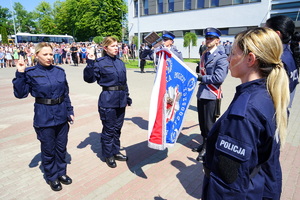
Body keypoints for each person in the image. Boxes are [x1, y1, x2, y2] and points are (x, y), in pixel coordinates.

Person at [201, 27, 290, 200]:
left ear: (250, 59)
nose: (228, 58)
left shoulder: (244, 113)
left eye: (233, 53)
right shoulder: (268, 93)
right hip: (259, 187)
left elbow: (227, 185)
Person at [12, 42, 74, 192]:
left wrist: (69, 110)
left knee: (61, 147)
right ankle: (52, 176)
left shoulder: (59, 71)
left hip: (61, 114)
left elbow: (65, 93)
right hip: (44, 115)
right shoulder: (30, 72)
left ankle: (61, 172)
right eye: (45, 54)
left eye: (51, 54)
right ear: (37, 55)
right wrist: (20, 73)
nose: (49, 57)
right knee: (48, 149)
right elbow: (20, 94)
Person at [83, 36, 132, 168]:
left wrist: (127, 96)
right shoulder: (100, 62)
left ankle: (115, 151)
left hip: (121, 100)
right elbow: (89, 79)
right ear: (105, 48)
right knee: (109, 129)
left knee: (117, 129)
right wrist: (90, 62)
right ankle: (108, 154)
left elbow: (124, 82)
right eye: (113, 46)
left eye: (117, 46)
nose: (116, 48)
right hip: (108, 100)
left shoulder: (120, 62)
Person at [192, 27, 228, 162]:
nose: (208, 40)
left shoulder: (222, 57)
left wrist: (202, 78)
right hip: (202, 93)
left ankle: (209, 148)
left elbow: (219, 78)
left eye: (211, 38)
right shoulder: (205, 54)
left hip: (211, 94)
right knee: (202, 122)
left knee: (209, 124)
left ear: (217, 40)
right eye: (207, 38)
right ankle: (204, 144)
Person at [265, 15, 300, 109]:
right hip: (284, 108)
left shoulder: (277, 58)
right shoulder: (292, 51)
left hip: (275, 110)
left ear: (277, 34)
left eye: (265, 31)